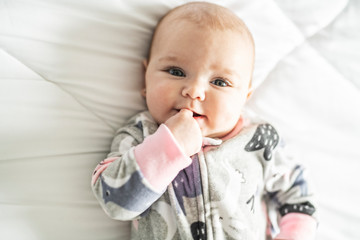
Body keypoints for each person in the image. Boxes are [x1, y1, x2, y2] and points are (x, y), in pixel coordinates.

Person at [91, 2, 318, 239]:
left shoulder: (260, 140)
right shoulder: (140, 136)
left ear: (244, 97)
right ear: (145, 80)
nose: (194, 91)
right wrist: (169, 147)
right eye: (176, 72)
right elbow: (115, 202)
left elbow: (299, 193)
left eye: (220, 82)